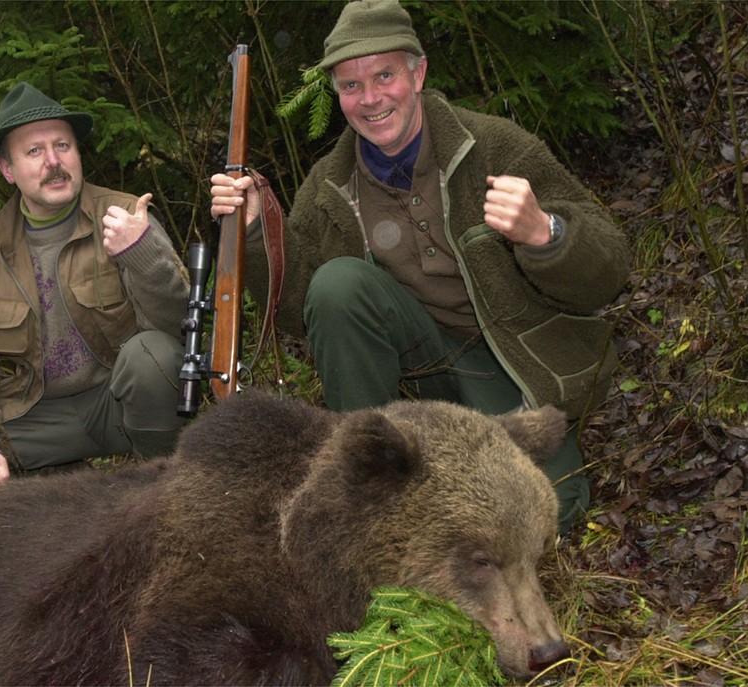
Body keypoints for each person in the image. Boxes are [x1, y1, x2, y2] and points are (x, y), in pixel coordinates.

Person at [210, 0, 629, 534]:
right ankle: (365, 485)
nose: (370, 99)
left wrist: (544, 232)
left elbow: (609, 271)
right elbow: (299, 310)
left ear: (418, 72)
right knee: (338, 285)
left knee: (548, 512)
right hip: (411, 381)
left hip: (508, 370)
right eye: (351, 86)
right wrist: (253, 232)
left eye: (384, 75)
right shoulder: (329, 187)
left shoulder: (495, 147)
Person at [0, 82, 190, 498]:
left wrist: (141, 256)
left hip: (119, 406)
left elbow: (177, 328)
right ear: (8, 170)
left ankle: (162, 492)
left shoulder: (125, 217)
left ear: (78, 154)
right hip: (39, 415)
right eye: (34, 152)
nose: (53, 162)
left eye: (62, 145)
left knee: (151, 355)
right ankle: (40, 511)